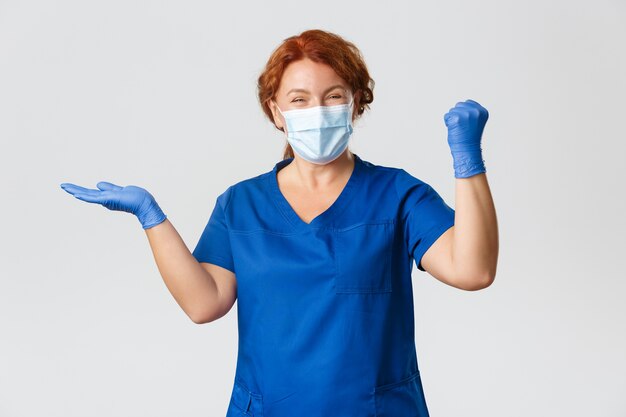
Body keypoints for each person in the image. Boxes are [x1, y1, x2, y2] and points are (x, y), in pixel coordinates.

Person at [60, 29, 498, 417]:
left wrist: (467, 160)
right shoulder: (241, 204)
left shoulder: (398, 195)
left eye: (334, 95)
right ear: (275, 112)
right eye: (299, 99)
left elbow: (473, 270)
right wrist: (150, 216)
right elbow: (204, 303)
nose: (318, 109)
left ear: (356, 103)